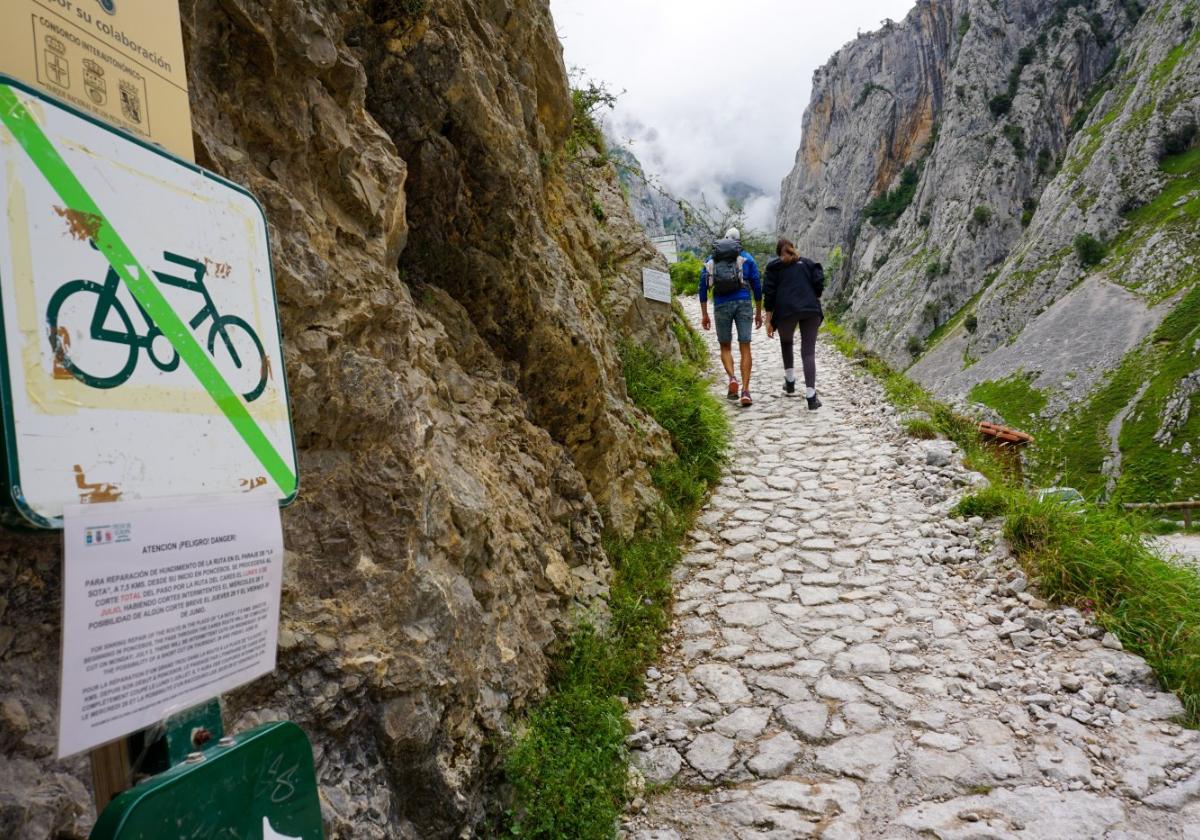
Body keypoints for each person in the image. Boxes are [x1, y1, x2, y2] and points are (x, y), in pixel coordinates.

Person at [699, 228, 762, 407]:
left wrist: (704, 314)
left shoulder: (712, 260)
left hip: (721, 304)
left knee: (725, 346)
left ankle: (732, 377)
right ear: (739, 242)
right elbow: (757, 285)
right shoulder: (747, 258)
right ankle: (746, 391)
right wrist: (758, 311)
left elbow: (702, 288)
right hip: (743, 303)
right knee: (745, 347)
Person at [763, 238, 824, 410]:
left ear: (778, 253)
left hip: (786, 311)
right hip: (810, 309)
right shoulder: (807, 263)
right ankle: (811, 397)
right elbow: (819, 282)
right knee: (808, 352)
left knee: (786, 341)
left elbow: (769, 294)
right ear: (792, 249)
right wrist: (814, 298)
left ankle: (790, 381)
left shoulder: (774, 268)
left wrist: (769, 320)